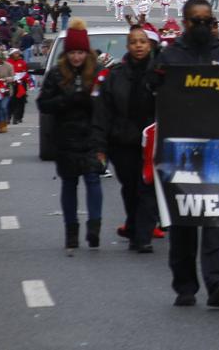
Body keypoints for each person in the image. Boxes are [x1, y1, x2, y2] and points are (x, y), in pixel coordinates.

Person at [151, 0, 219, 307]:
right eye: (196, 21)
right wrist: (154, 76)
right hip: (182, 151)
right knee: (185, 223)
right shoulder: (171, 56)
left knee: (218, 221)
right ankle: (185, 285)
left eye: (208, 20)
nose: (203, 26)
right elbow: (151, 91)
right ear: (186, 23)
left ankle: (218, 282)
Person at [37, 19, 104, 252]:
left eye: (81, 52)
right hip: (65, 137)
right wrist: (65, 101)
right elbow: (43, 104)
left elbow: (107, 104)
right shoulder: (56, 74)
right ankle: (71, 230)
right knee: (69, 183)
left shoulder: (96, 73)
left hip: (92, 137)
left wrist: (90, 101)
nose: (77, 57)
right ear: (67, 54)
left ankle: (94, 227)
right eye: (73, 53)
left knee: (93, 180)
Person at [93, 25, 159, 253]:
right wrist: (100, 146)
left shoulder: (160, 74)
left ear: (149, 45)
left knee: (147, 189)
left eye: (143, 41)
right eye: (134, 42)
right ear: (128, 46)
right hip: (122, 143)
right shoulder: (115, 76)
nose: (138, 45)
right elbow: (103, 113)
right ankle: (133, 225)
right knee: (130, 188)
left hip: (152, 144)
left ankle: (143, 236)